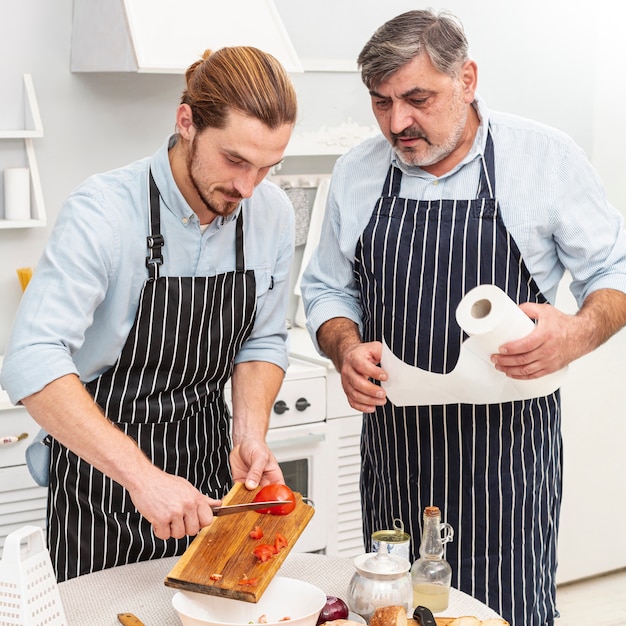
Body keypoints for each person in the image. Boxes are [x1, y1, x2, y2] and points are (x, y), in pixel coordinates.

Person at [300, 10, 626, 626]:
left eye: (417, 99)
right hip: (395, 452)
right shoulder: (358, 172)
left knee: (504, 613)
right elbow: (325, 290)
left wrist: (576, 333)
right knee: (395, 612)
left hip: (504, 461)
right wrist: (342, 346)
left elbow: (617, 270)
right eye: (381, 103)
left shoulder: (543, 160)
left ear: (467, 78)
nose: (398, 122)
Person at [0, 46, 298, 582]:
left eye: (267, 167)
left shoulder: (270, 214)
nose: (248, 187)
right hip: (103, 490)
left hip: (210, 480)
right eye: (235, 161)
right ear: (187, 122)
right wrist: (142, 477)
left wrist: (250, 434)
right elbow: (30, 360)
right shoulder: (105, 211)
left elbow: (261, 341)